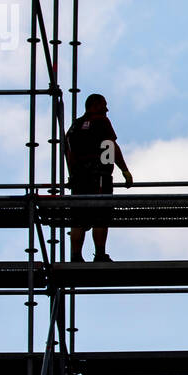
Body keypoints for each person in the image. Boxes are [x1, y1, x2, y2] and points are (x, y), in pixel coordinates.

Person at [64, 93, 133, 262]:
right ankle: (100, 254)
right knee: (100, 216)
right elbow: (110, 146)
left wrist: (73, 174)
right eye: (104, 104)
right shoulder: (101, 121)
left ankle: (75, 257)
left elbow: (69, 153)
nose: (107, 109)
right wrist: (124, 170)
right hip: (99, 176)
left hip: (79, 178)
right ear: (95, 105)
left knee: (78, 218)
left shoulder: (75, 126)